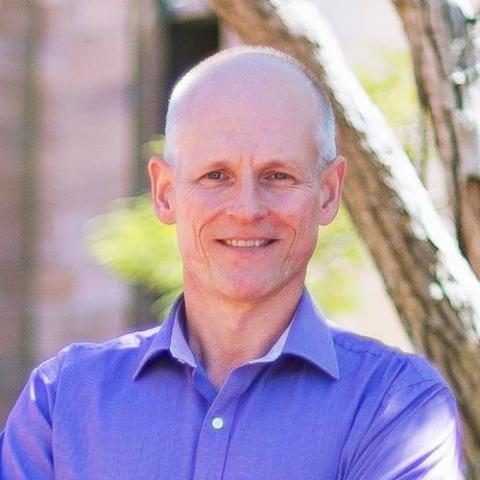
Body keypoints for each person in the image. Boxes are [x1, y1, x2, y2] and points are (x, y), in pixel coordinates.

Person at [0, 47, 464, 479]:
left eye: (277, 175)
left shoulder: (395, 406)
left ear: (327, 193)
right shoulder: (61, 403)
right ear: (165, 193)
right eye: (216, 175)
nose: (246, 209)